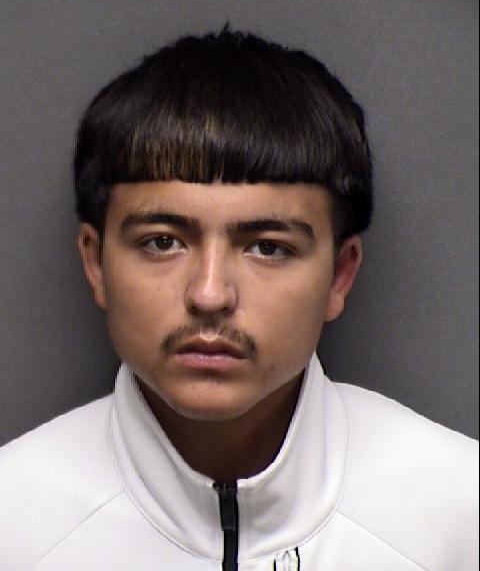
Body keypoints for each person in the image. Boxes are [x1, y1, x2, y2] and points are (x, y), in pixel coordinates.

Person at [0, 28, 477, 571]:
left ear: (339, 276)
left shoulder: (462, 515)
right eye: (162, 242)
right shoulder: (13, 523)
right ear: (96, 263)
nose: (209, 294)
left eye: (268, 248)